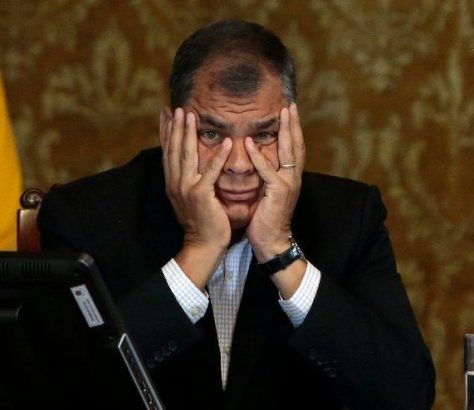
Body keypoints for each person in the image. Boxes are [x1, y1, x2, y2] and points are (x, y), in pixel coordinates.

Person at [38, 19, 435, 410]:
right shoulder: (84, 217)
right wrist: (199, 249)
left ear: (293, 131)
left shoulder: (348, 217)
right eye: (211, 134)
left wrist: (280, 251)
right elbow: (61, 391)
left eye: (264, 135)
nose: (240, 165)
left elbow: (407, 395)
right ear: (168, 130)